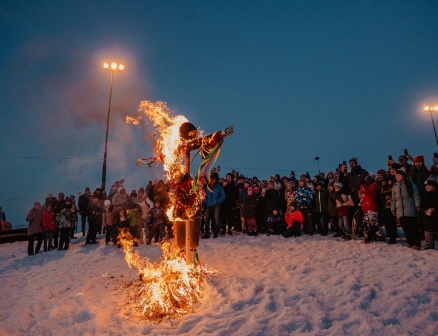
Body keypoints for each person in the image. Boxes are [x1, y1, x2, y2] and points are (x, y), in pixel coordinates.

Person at [391, 167, 422, 249]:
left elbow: (416, 195)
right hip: (400, 210)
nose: (397, 176)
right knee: (405, 227)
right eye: (396, 175)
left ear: (403, 175)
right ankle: (409, 242)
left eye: (399, 175)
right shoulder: (395, 186)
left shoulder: (410, 184)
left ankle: (416, 242)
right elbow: (393, 199)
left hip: (410, 208)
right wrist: (393, 209)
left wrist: (417, 205)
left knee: (413, 226)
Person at [360, 175, 384, 243]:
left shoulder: (373, 186)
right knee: (365, 224)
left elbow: (365, 190)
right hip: (366, 208)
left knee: (374, 223)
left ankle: (379, 236)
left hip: (372, 208)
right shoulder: (367, 188)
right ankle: (367, 237)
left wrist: (361, 185)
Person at [202, 173, 226, 238]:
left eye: (213, 179)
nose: (212, 180)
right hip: (208, 205)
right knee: (206, 220)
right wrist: (205, 202)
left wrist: (218, 201)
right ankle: (207, 233)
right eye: (210, 179)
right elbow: (203, 195)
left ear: (215, 180)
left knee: (216, 219)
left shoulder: (219, 187)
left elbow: (223, 195)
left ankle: (216, 233)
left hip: (216, 206)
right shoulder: (207, 187)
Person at [422, 178, 438, 250]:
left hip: (436, 215)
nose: (427, 187)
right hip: (428, 217)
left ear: (434, 186)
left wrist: (433, 209)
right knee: (428, 230)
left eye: (429, 185)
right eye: (426, 186)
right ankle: (428, 245)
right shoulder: (425, 195)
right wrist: (425, 210)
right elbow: (422, 205)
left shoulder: (436, 194)